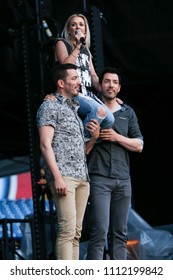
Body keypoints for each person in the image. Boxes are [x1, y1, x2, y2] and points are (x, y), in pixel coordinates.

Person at [36, 63, 99, 260]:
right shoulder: (49, 106)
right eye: (74, 78)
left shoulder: (74, 110)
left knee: (76, 234)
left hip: (82, 177)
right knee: (67, 230)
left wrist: (94, 138)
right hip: (64, 176)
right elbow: (45, 145)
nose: (79, 82)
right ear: (61, 83)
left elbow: (82, 151)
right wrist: (57, 178)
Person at [85, 67, 144, 260]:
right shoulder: (91, 109)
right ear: (100, 85)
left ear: (119, 88)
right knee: (99, 231)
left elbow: (139, 145)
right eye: (107, 81)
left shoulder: (127, 112)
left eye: (115, 82)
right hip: (99, 177)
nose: (111, 85)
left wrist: (117, 137)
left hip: (123, 179)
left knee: (120, 232)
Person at [53, 13, 115, 140]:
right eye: (73, 24)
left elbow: (93, 75)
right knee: (97, 112)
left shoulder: (86, 51)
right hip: (73, 93)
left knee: (110, 119)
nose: (77, 27)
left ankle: (86, 140)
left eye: (81, 25)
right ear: (69, 30)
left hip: (88, 93)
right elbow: (65, 67)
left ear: (85, 31)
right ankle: (82, 142)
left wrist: (109, 94)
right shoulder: (62, 43)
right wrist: (77, 46)